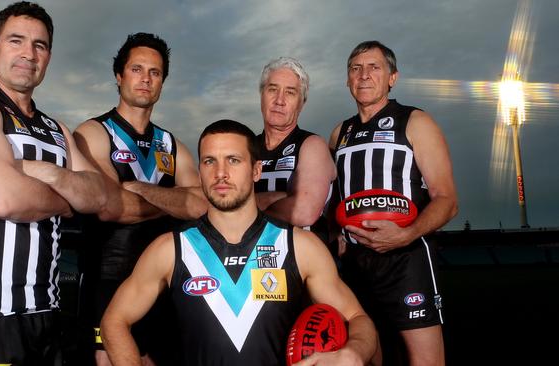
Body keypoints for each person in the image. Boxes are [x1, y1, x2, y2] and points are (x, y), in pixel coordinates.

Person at [101, 119, 377, 366]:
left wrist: (354, 352)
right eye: (210, 161)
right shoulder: (171, 249)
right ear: (200, 172)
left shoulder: (299, 246)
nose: (221, 173)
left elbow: (358, 319)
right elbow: (114, 321)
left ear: (256, 170)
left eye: (233, 160)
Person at [0, 2, 107, 365]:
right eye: (16, 41)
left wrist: (46, 172)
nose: (29, 53)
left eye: (39, 45)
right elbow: (5, 198)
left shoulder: (56, 129)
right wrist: (69, 199)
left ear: (48, 56)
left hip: (46, 315)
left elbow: (99, 195)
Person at [72, 32, 208, 365]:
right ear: (119, 76)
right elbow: (111, 207)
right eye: (137, 69)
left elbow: (202, 204)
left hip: (164, 282)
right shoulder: (92, 133)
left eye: (155, 72)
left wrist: (142, 191)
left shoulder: (171, 143)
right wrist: (174, 202)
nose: (146, 79)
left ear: (162, 82)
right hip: (108, 279)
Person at [329, 40, 458, 365]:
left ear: (392, 77)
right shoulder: (338, 133)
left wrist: (407, 234)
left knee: (426, 359)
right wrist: (337, 236)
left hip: (406, 259)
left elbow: (447, 200)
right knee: (368, 352)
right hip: (356, 263)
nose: (364, 75)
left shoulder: (415, 121)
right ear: (347, 79)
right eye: (355, 68)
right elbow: (334, 199)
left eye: (374, 67)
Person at [255, 57, 336, 246]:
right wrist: (280, 197)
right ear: (262, 95)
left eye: (290, 93)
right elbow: (217, 202)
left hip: (303, 260)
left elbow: (304, 211)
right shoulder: (246, 146)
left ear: (302, 103)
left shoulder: (312, 144)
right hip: (254, 259)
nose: (279, 100)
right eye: (272, 89)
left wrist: (243, 209)